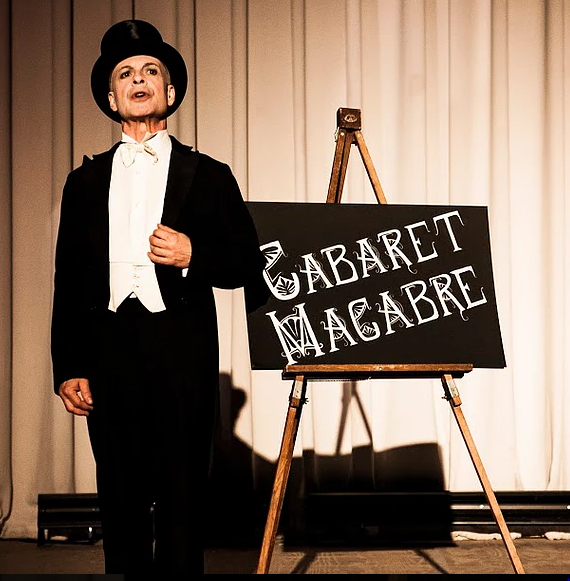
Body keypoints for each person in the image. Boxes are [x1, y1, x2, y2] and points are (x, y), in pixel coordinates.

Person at [51, 19, 267, 574]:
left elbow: (248, 263)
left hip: (181, 346)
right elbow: (70, 280)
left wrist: (196, 253)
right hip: (109, 347)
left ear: (170, 92)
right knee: (118, 486)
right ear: (110, 96)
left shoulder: (210, 175)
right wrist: (68, 366)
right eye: (125, 73)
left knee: (182, 488)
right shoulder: (86, 181)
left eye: (151, 70)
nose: (138, 79)